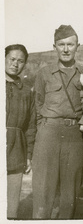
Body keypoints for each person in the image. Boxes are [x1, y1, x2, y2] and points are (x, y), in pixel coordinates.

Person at [32, 25, 83, 219]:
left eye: (70, 44)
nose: (65, 49)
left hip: (74, 137)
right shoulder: (44, 74)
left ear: (77, 46)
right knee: (43, 190)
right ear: (54, 46)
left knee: (69, 193)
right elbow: (37, 105)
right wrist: (44, 131)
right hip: (48, 134)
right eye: (61, 44)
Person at [5, 44, 36, 219]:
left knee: (11, 207)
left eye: (20, 61)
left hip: (17, 149)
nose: (15, 64)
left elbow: (30, 126)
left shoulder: (26, 91)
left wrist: (28, 155)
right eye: (12, 59)